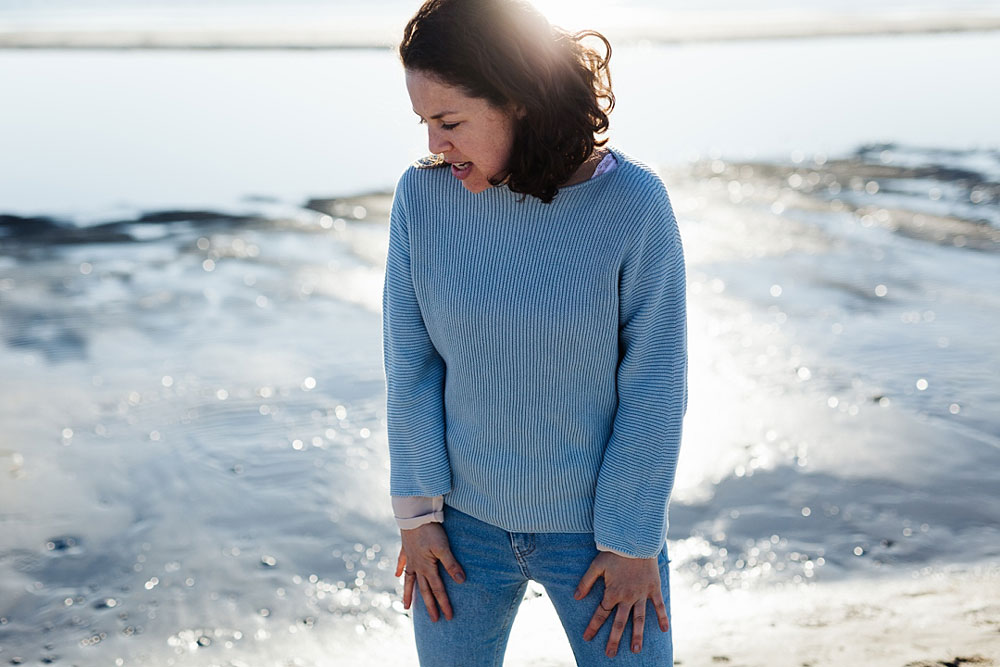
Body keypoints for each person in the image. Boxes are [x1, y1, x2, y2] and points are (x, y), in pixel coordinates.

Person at [381, 0, 687, 664]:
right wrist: (417, 517)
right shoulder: (421, 200)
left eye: (450, 121)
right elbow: (411, 366)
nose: (435, 143)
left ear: (518, 99)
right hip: (460, 535)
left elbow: (655, 386)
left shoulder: (634, 204)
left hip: (601, 539)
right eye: (425, 123)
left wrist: (633, 541)